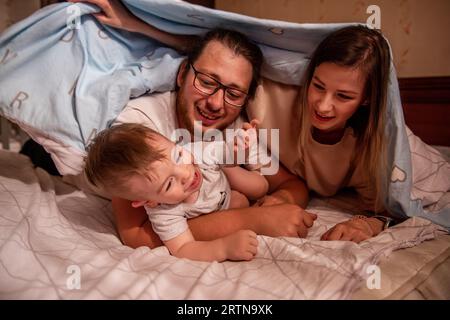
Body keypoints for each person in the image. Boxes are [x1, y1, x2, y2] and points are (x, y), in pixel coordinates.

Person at [70, 0, 317, 249]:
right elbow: (136, 235)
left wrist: (279, 199)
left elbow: (292, 185)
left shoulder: (234, 128)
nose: (216, 103)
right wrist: (252, 219)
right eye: (208, 82)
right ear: (182, 75)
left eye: (233, 94)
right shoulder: (140, 128)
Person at [250, 25, 403, 243]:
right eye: (318, 86)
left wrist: (366, 223)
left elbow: (387, 209)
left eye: (343, 96)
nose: (323, 106)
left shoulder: (368, 146)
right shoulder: (269, 100)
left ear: (366, 98)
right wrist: (282, 197)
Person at [84, 123, 269, 261]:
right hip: (216, 211)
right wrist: (223, 248)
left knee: (259, 187)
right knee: (241, 204)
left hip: (223, 184)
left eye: (178, 156)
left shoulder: (196, 152)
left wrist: (240, 147)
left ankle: (228, 169)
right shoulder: (162, 212)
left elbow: (230, 153)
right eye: (168, 184)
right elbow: (183, 248)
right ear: (148, 202)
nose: (185, 173)